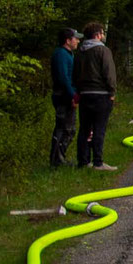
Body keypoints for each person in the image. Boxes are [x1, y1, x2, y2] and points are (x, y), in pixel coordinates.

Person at [71, 23, 117, 171]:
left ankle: (83, 161)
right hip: (101, 95)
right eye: (102, 33)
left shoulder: (80, 52)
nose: (103, 35)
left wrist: (79, 91)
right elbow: (109, 73)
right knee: (99, 129)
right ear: (97, 34)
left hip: (85, 95)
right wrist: (112, 92)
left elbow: (75, 75)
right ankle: (98, 162)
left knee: (84, 129)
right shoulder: (103, 51)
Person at [50, 28, 80, 166]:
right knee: (64, 128)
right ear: (68, 41)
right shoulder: (61, 55)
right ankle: (57, 159)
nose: (78, 41)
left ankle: (60, 157)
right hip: (63, 96)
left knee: (70, 129)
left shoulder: (68, 54)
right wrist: (72, 95)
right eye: (76, 38)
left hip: (66, 95)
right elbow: (63, 78)